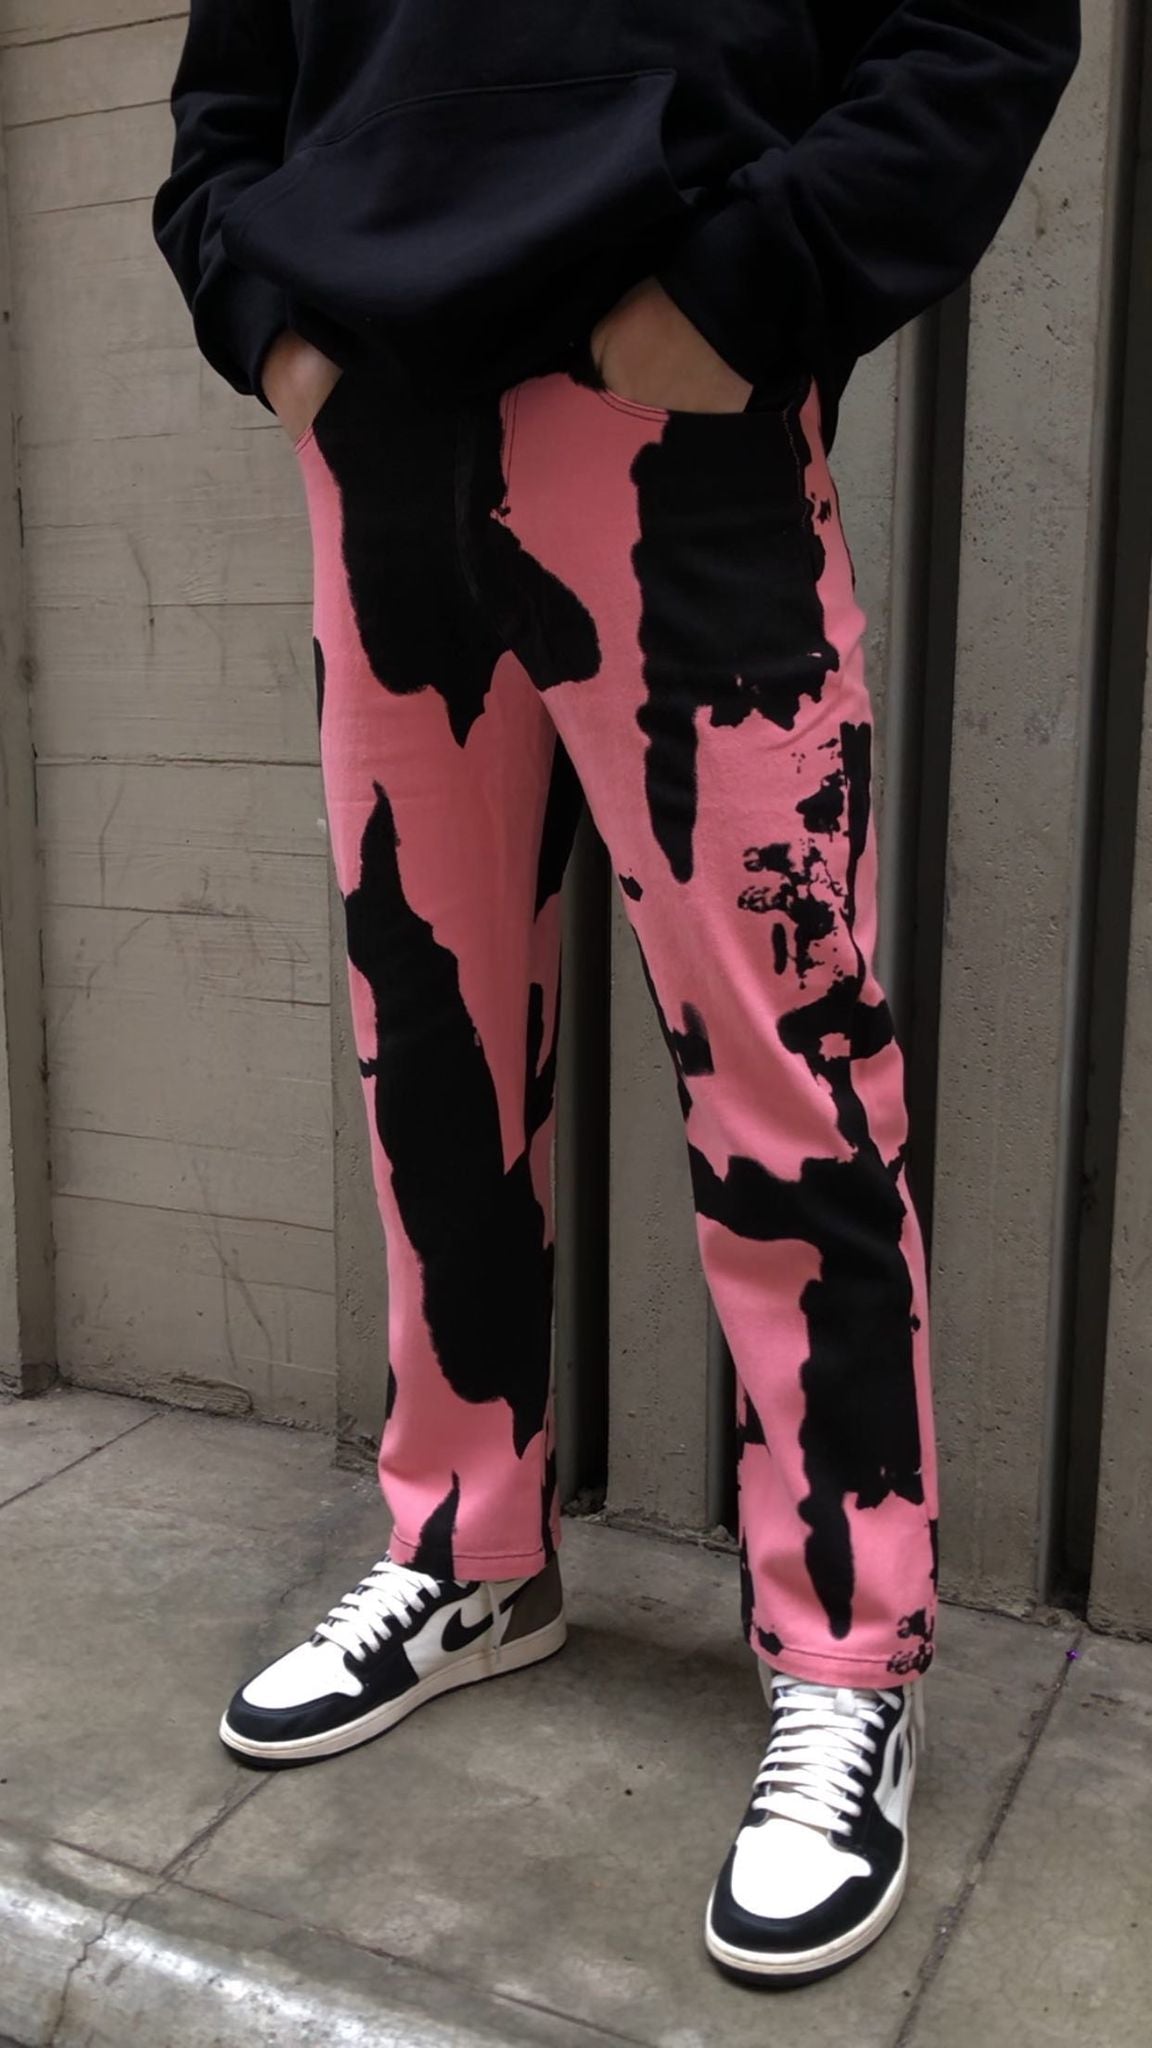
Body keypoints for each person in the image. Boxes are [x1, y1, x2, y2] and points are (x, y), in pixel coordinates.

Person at [152, 0, 1081, 1988]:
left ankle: (851, 1646)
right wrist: (270, 323)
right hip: (377, 434)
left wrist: (753, 285)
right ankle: (464, 1550)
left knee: (787, 1062)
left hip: (677, 414)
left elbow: (985, 30)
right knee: (432, 1049)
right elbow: (229, 93)